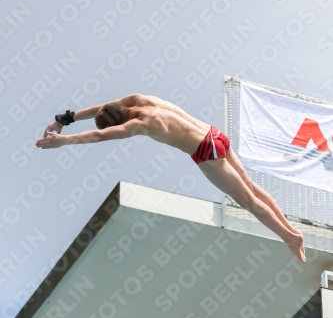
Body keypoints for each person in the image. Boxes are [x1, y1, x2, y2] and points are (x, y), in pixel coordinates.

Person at [36, 93, 306, 262]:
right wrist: (64, 118)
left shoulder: (138, 125)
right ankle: (291, 232)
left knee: (247, 200)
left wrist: (64, 141)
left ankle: (289, 237)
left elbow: (99, 135)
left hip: (205, 151)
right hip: (215, 134)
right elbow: (101, 107)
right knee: (250, 185)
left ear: (119, 123)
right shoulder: (139, 99)